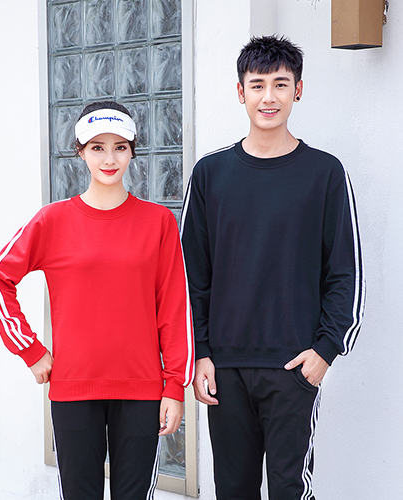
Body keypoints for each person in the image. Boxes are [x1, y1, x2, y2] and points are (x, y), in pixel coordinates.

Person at [0, 101, 194, 500]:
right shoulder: (52, 220)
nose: (109, 159)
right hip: (73, 390)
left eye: (120, 147)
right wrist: (30, 350)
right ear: (80, 151)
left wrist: (174, 386)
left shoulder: (158, 222)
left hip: (142, 391)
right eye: (97, 147)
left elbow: (174, 309)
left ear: (132, 151)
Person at [181, 35, 365, 499]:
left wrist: (325, 351)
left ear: (298, 90)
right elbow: (191, 275)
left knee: (290, 490)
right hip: (225, 368)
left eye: (280, 84)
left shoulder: (324, 173)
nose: (269, 97)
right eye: (257, 85)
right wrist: (200, 352)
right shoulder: (210, 174)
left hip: (293, 365)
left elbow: (346, 273)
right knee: (233, 491)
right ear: (240, 91)